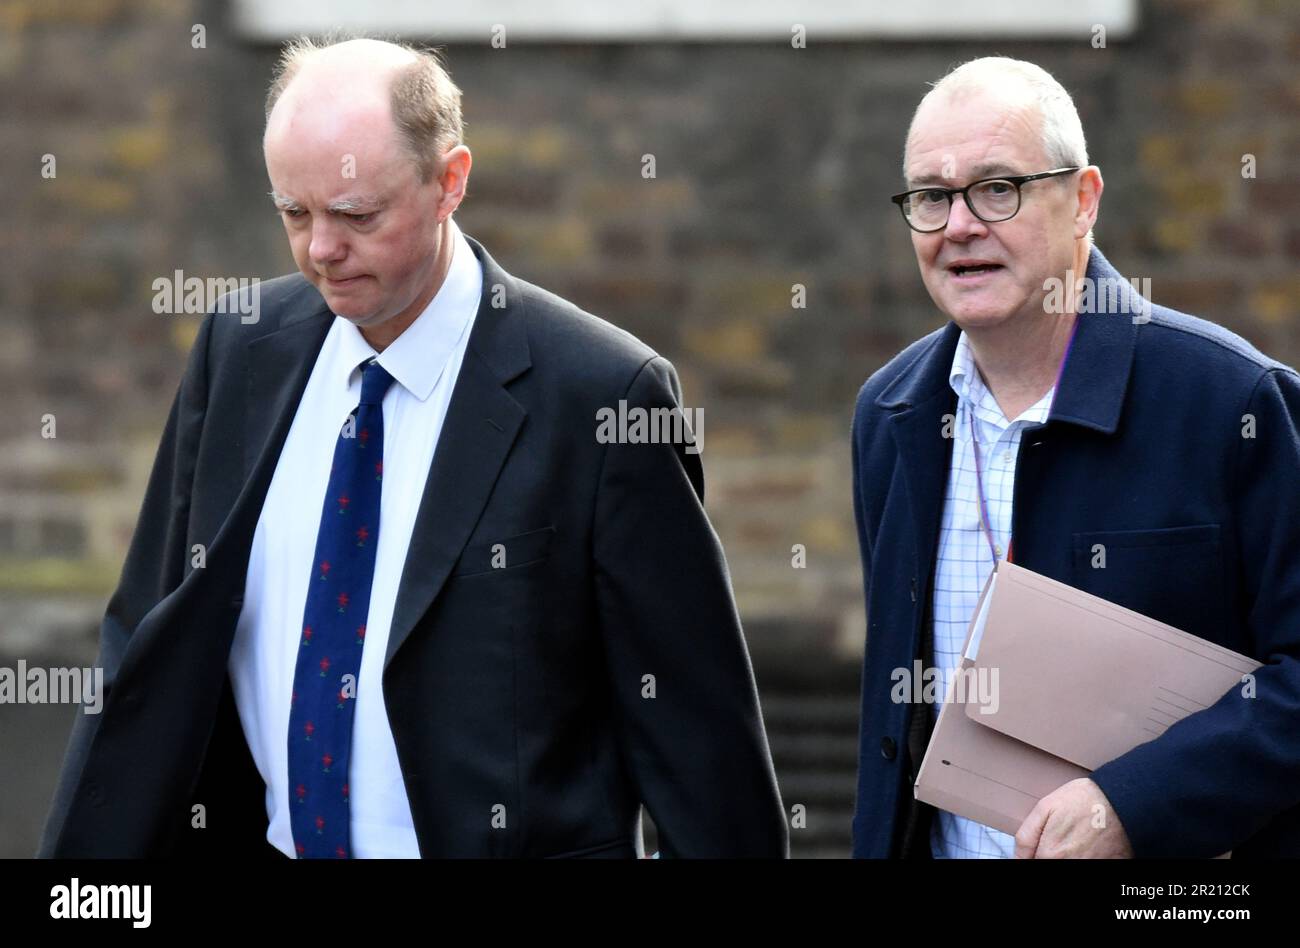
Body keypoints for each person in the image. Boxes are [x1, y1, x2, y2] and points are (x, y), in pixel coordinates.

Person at [40, 36, 786, 859]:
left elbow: (700, 751)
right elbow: (143, 637)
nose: (321, 248)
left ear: (449, 183)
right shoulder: (241, 348)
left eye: (357, 215)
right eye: (294, 211)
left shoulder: (605, 396)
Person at [850, 56, 1300, 858]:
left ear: (1084, 199)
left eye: (998, 188)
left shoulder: (1233, 403)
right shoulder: (891, 416)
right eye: (930, 196)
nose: (959, 226)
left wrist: (1136, 804)